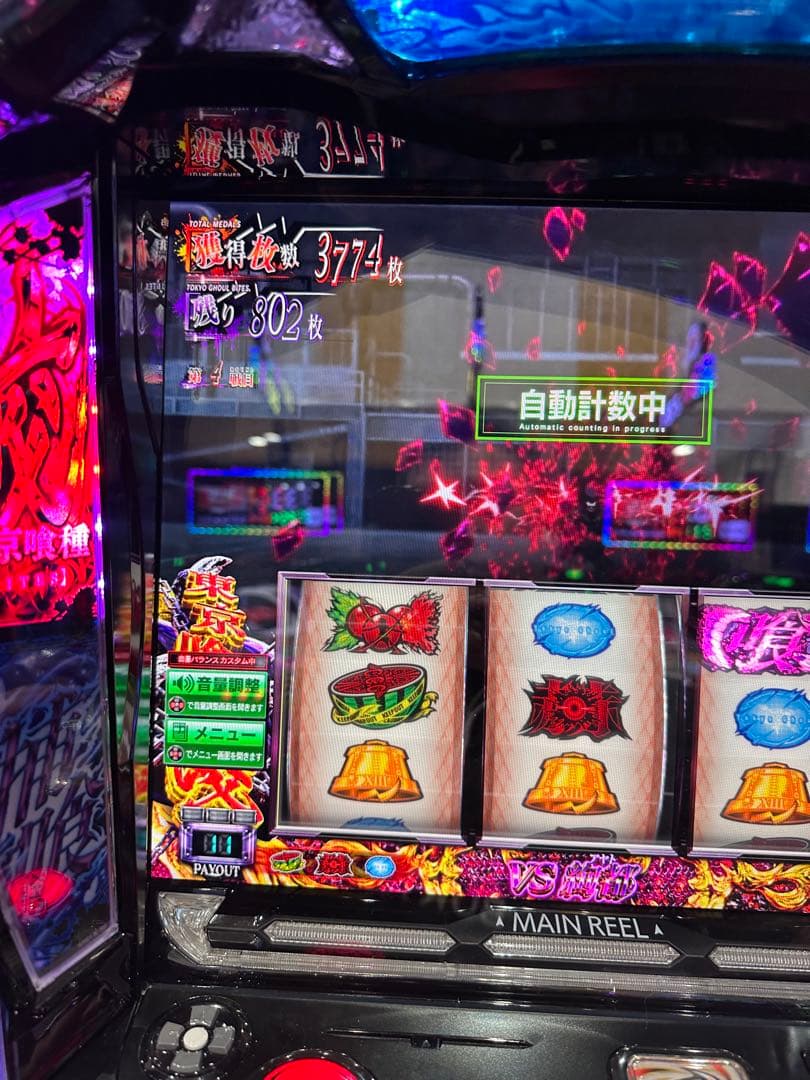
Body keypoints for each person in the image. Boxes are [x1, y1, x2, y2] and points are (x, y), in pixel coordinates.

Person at [661, 319, 716, 428]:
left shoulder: (705, 369)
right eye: (689, 337)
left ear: (703, 343)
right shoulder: (684, 374)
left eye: (695, 338)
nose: (690, 343)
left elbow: (694, 396)